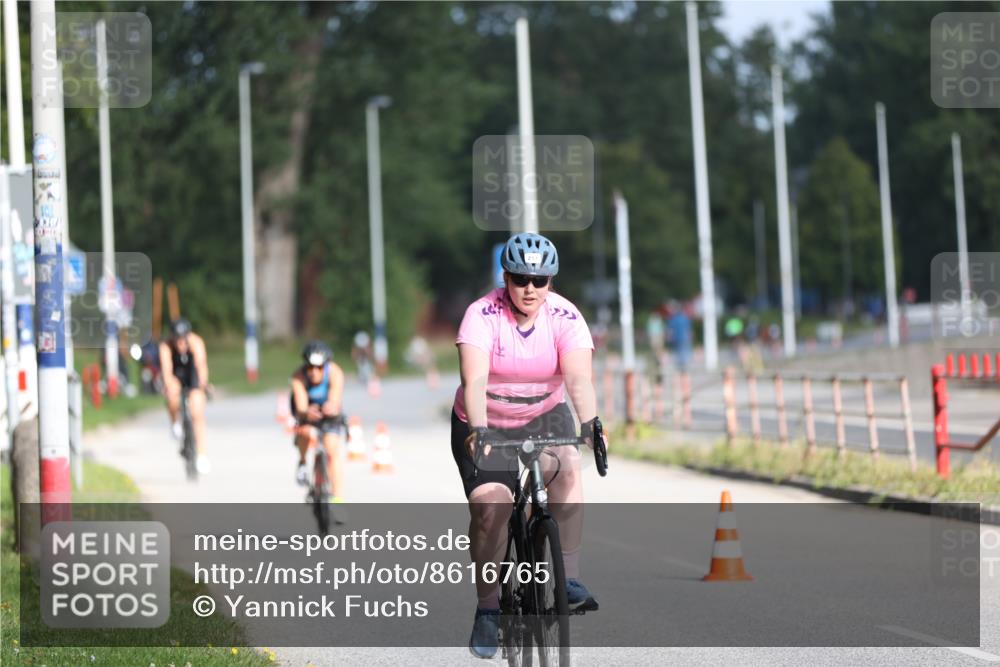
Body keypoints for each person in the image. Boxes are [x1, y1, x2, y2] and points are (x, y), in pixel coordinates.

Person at [453, 232, 607, 659]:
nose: (530, 288)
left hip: (544, 414)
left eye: (539, 280)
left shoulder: (565, 316)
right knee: (491, 509)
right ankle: (488, 609)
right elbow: (474, 380)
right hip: (486, 420)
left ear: (550, 281)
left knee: (568, 463)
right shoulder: (481, 315)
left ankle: (568, 579)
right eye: (520, 279)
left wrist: (591, 423)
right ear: (505, 277)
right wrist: (479, 429)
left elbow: (578, 379)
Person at [290, 341, 346, 500]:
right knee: (305, 432)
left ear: (325, 366)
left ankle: (338, 498)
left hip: (329, 413)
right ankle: (302, 462)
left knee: (331, 450)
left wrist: (331, 407)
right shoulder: (298, 377)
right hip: (307, 411)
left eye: (319, 368)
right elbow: (301, 404)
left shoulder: (335, 372)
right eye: (310, 367)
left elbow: (335, 398)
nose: (314, 372)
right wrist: (306, 412)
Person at [159, 318, 211, 474]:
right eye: (177, 340)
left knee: (197, 411)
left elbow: (201, 365)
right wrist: (169, 384)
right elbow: (167, 370)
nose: (180, 344)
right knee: (172, 394)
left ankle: (201, 454)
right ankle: (174, 423)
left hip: (191, 373)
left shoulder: (196, 342)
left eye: (183, 340)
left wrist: (203, 384)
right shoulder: (166, 347)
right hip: (176, 374)